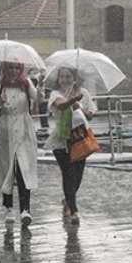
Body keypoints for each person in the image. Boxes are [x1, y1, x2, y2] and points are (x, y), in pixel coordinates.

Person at [0, 59, 45, 226]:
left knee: (24, 168)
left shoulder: (26, 84)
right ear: (5, 68)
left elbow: (39, 99)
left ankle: (25, 209)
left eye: (16, 67)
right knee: (6, 168)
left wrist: (40, 83)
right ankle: (9, 207)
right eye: (10, 67)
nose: (13, 71)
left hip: (24, 130)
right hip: (5, 131)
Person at [46, 67, 97, 225]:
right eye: (62, 77)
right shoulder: (56, 94)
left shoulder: (83, 93)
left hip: (79, 138)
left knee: (78, 176)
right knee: (68, 174)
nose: (65, 80)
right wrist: (72, 100)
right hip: (61, 140)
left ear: (74, 77)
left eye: (68, 76)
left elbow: (91, 115)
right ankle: (74, 211)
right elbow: (60, 106)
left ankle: (67, 201)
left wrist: (79, 106)